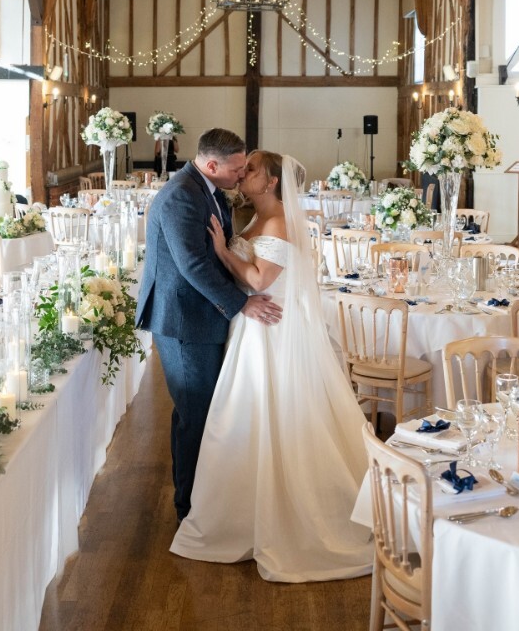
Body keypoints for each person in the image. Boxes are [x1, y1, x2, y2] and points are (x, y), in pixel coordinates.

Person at [171, 150, 371, 582]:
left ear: (273, 182)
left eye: (253, 170)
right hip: (254, 327)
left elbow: (261, 280)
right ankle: (242, 511)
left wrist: (223, 252)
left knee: (270, 411)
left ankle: (290, 512)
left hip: (272, 329)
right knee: (246, 415)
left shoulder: (279, 220)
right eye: (242, 168)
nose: (243, 174)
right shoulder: (256, 215)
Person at [135, 129, 282, 524]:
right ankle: (189, 510)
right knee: (195, 415)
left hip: (202, 315)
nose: (240, 175)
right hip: (185, 321)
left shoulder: (208, 188)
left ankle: (205, 497)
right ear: (211, 164)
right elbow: (193, 265)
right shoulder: (183, 194)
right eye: (236, 168)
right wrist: (242, 304)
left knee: (201, 412)